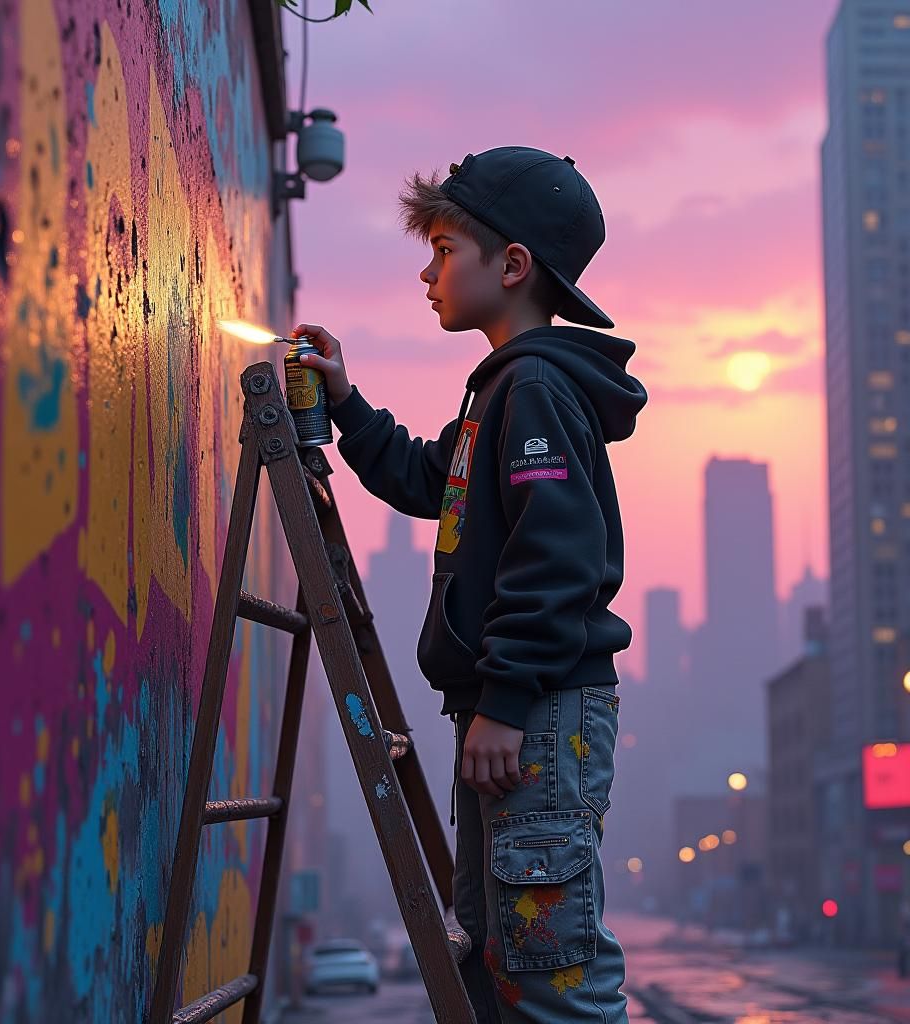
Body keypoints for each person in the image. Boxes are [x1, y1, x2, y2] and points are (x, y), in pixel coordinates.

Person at [291, 146, 647, 1023]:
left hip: (539, 708)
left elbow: (557, 557)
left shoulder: (533, 390)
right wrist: (346, 403)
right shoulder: (502, 392)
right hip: (517, 705)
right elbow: (427, 479)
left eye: (445, 249)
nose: (427, 271)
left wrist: (507, 701)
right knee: (499, 947)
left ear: (513, 265)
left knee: (552, 971)